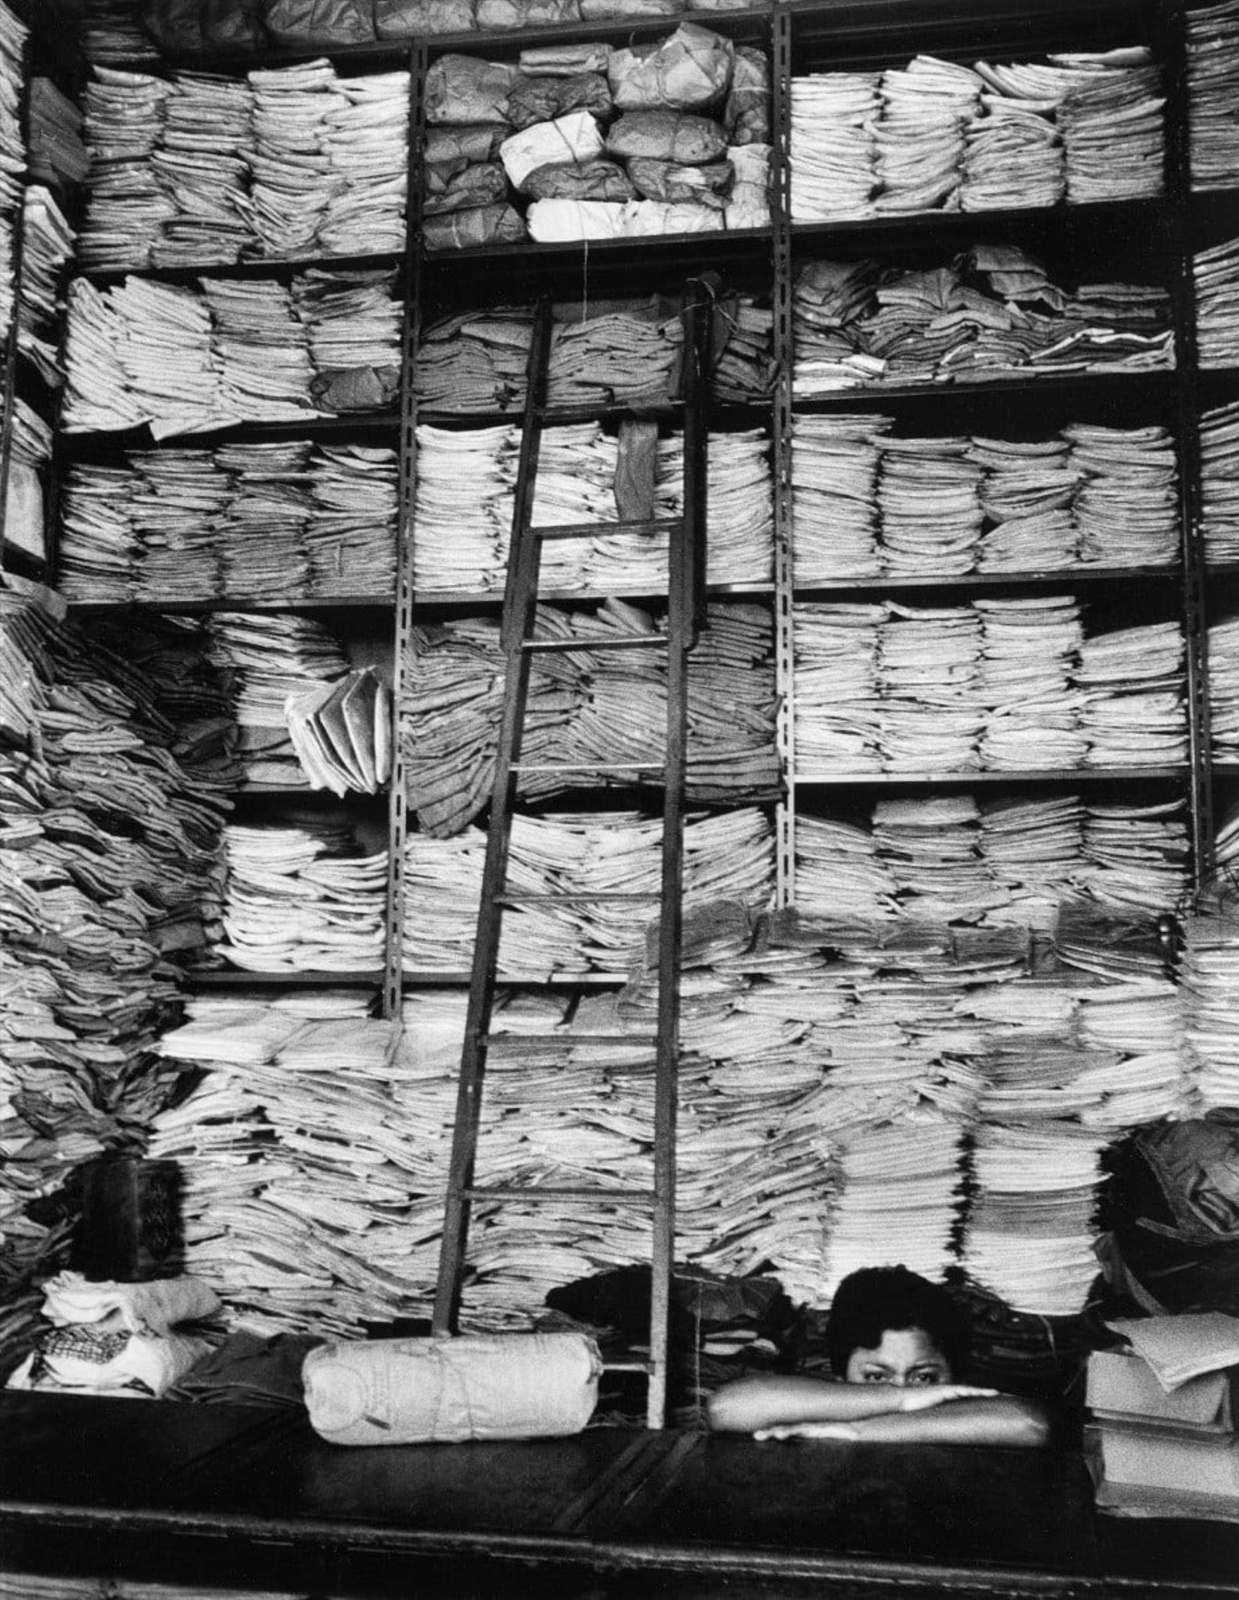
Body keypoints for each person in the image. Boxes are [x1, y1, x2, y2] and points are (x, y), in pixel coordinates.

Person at [705, 1265, 1050, 1447]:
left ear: (954, 1375)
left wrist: (858, 1431)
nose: (906, 1389)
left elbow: (1028, 1424)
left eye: (924, 1377)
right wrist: (900, 1401)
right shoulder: (825, 1403)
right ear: (839, 1376)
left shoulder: (965, 1415)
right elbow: (727, 1407)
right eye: (876, 1376)